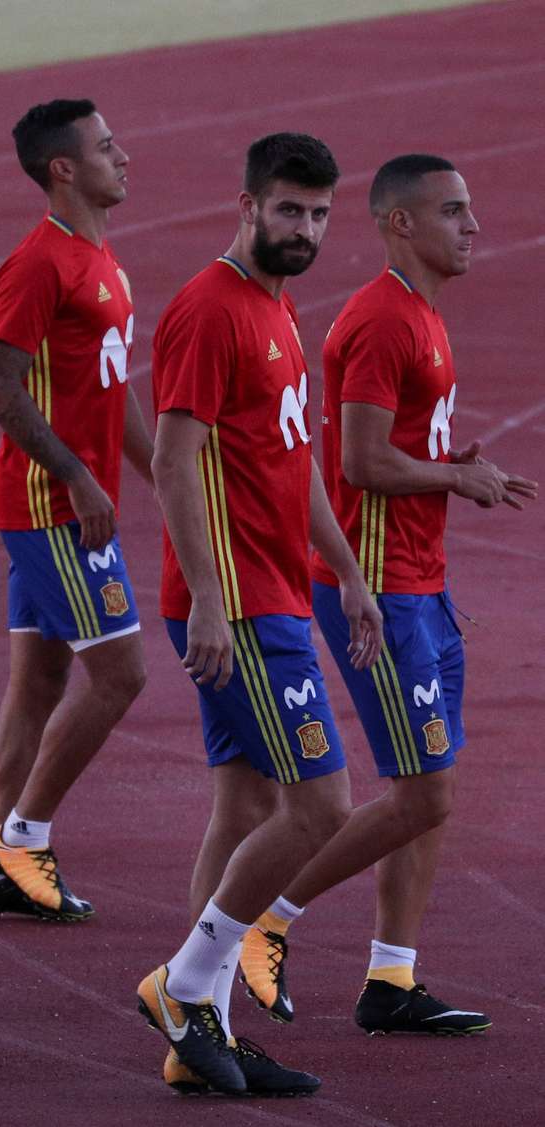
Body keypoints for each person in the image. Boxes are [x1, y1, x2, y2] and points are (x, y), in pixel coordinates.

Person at [136, 132, 389, 1098]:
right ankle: (188, 984)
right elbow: (169, 459)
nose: (306, 229)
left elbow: (294, 467)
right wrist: (206, 594)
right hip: (237, 602)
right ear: (245, 205)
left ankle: (202, 1036)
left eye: (320, 214)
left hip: (272, 588)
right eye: (289, 210)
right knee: (319, 804)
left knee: (242, 805)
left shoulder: (278, 308)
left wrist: (348, 571)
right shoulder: (209, 310)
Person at [304, 153, 536, 1032]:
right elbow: (358, 464)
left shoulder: (425, 316)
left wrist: (452, 470)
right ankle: (251, 923)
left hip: (422, 584)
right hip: (380, 588)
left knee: (429, 782)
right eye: (453, 210)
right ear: (400, 223)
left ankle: (393, 977)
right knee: (423, 793)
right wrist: (451, 477)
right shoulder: (382, 322)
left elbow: (398, 447)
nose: (474, 224)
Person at [0, 99, 153, 923]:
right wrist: (81, 475)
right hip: (51, 509)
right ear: (63, 169)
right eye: (108, 148)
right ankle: (22, 836)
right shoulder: (41, 263)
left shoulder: (101, 257)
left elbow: (115, 388)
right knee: (120, 675)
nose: (125, 157)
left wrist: (174, 475)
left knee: (39, 681)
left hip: (61, 500)